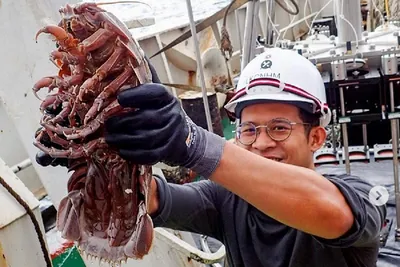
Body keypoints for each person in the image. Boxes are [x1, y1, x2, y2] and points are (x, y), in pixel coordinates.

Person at [36, 48, 386, 267]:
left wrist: (193, 144)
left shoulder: (357, 196)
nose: (261, 143)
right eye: (249, 130)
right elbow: (153, 198)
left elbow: (332, 212)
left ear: (316, 137)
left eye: (279, 128)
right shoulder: (225, 200)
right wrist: (96, 150)